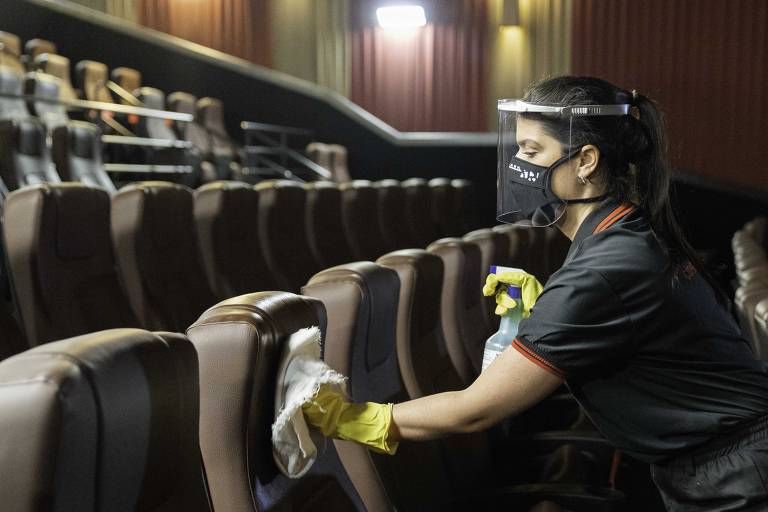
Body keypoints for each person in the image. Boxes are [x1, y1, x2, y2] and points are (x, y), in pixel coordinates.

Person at [302, 76, 768, 511]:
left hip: (740, 478)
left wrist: (355, 418)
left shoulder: (606, 267)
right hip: (725, 464)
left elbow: (474, 410)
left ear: (585, 160)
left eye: (532, 149)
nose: (517, 165)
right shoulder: (622, 236)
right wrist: (549, 312)